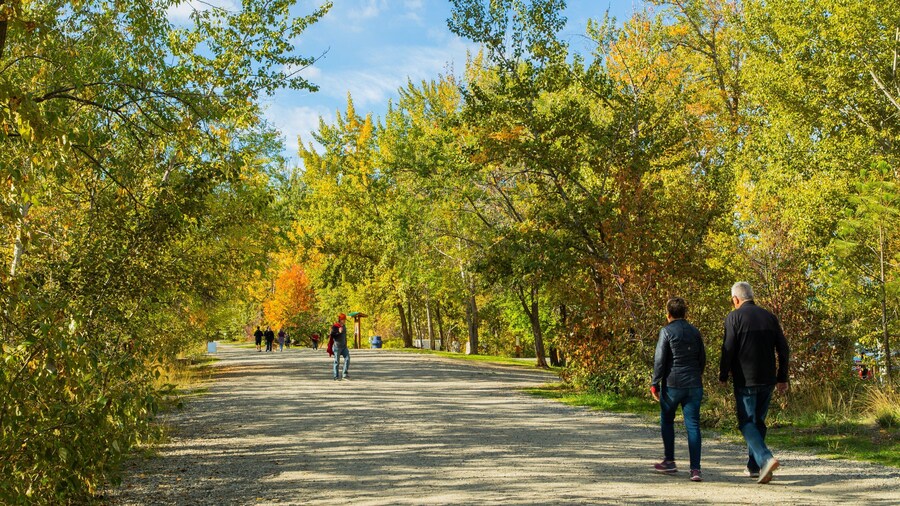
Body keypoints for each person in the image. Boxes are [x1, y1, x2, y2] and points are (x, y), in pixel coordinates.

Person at [719, 282, 790, 484]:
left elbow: (728, 349)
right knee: (758, 421)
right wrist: (782, 377)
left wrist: (723, 374)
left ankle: (766, 458)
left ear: (736, 299)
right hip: (768, 379)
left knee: (746, 423)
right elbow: (783, 349)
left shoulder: (734, 317)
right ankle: (754, 466)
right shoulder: (769, 317)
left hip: (745, 379)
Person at [651, 297, 706, 482]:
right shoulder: (695, 331)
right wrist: (697, 375)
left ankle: (670, 461)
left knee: (667, 420)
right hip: (693, 384)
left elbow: (660, 360)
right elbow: (702, 358)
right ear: (685, 313)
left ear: (668, 314)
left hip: (673, 384)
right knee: (693, 425)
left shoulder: (666, 331)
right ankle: (695, 469)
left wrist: (655, 382)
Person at [331, 313, 350, 380]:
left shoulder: (344, 326)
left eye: (345, 319)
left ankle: (344, 375)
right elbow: (332, 335)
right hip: (337, 347)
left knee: (347, 359)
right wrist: (338, 332)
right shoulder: (335, 326)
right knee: (337, 361)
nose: (344, 320)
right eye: (343, 319)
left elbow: (344, 337)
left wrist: (346, 344)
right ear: (340, 319)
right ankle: (336, 376)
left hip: (344, 347)